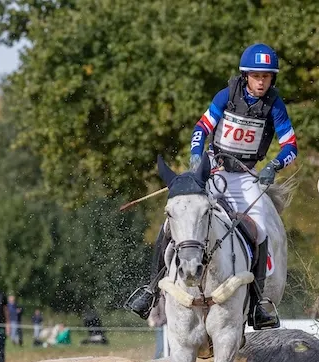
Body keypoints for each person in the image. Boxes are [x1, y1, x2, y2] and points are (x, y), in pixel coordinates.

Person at [125, 43, 297, 331]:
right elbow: (201, 128)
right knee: (176, 222)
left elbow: (290, 145)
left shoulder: (275, 105)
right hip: (214, 171)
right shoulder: (225, 96)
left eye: (267, 77)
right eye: (257, 76)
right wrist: (196, 152)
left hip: (246, 177)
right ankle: (152, 291)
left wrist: (274, 166)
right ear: (246, 76)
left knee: (263, 229)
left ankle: (258, 304)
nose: (261, 82)